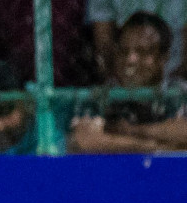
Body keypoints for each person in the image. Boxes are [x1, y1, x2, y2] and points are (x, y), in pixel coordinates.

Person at [69, 11, 187, 151]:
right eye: (123, 51)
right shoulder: (101, 95)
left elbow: (183, 132)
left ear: (163, 58)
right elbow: (86, 139)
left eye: (143, 52)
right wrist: (156, 147)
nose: (130, 60)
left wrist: (129, 130)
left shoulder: (178, 91)